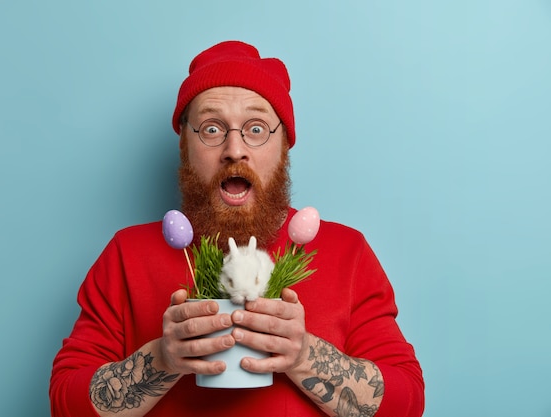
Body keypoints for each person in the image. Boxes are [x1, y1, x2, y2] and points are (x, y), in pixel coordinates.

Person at [50, 40, 424, 417]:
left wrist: (303, 354)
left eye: (256, 128)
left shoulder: (348, 252)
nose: (234, 149)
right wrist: (162, 358)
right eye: (211, 129)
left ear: (284, 146)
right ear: (184, 145)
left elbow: (407, 404)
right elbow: (65, 402)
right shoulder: (127, 254)